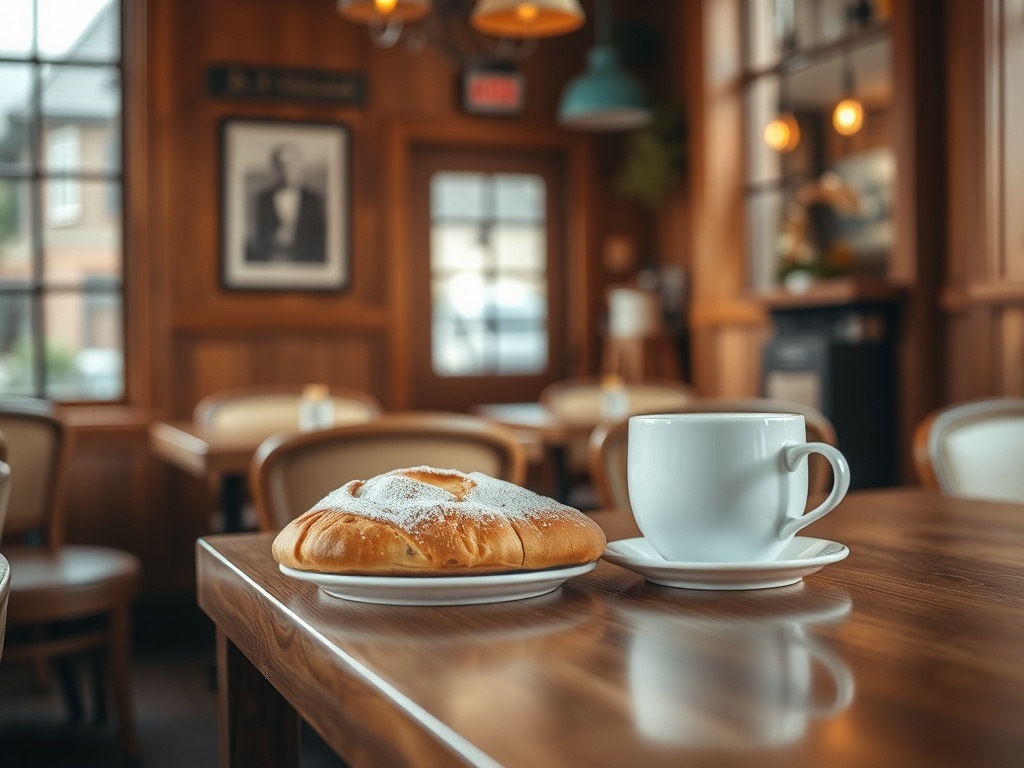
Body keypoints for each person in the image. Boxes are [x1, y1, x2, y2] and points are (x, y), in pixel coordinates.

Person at [246, 143, 326, 263]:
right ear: (274, 167)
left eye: (291, 163)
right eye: (281, 164)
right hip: (272, 261)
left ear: (299, 164)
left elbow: (320, 238)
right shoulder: (263, 199)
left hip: (307, 261)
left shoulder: (314, 199)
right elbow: (259, 237)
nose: (286, 169)